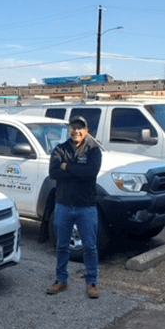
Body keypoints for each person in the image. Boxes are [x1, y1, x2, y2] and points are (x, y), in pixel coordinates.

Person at [47, 115, 102, 298]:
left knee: (90, 247)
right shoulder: (60, 149)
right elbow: (53, 172)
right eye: (73, 127)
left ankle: (92, 282)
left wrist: (67, 167)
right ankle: (61, 280)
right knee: (62, 246)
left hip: (86, 207)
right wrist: (77, 170)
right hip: (63, 205)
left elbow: (91, 173)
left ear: (86, 131)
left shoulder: (94, 150)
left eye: (80, 128)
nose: (76, 131)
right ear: (68, 129)